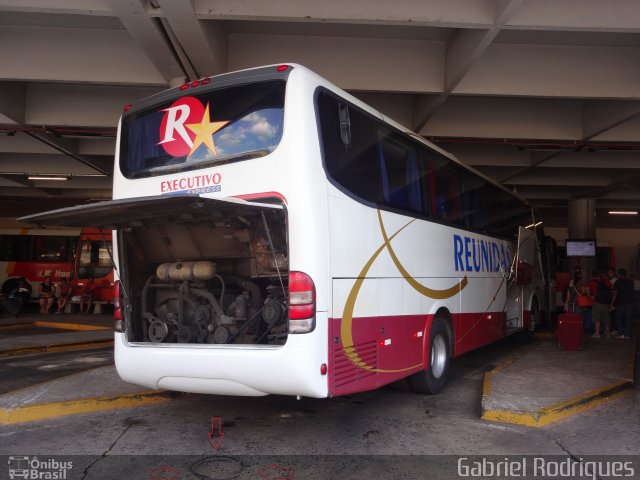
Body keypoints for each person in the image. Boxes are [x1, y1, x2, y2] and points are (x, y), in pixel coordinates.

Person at [612, 269, 634, 339]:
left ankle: (621, 334)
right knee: (628, 319)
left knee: (619, 319)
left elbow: (615, 294)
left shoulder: (617, 282)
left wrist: (612, 303)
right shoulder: (630, 282)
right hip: (629, 303)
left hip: (620, 303)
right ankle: (627, 335)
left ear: (619, 274)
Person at [591, 272, 613, 338]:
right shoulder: (608, 286)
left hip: (598, 303)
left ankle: (597, 333)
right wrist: (610, 304)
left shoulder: (598, 285)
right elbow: (610, 295)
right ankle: (607, 333)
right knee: (606, 319)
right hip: (606, 304)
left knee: (597, 318)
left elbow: (596, 293)